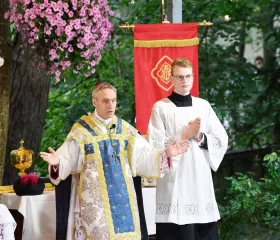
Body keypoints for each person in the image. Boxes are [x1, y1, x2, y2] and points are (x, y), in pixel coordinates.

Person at [40, 82, 190, 240]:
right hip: (96, 206)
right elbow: (66, 160)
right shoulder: (81, 132)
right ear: (94, 102)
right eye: (105, 101)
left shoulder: (126, 130)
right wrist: (57, 162)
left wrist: (166, 154)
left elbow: (145, 156)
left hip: (124, 203)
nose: (110, 105)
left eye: (113, 100)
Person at [146, 58, 229, 240]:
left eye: (188, 76)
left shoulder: (203, 106)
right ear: (172, 79)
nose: (184, 81)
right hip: (174, 181)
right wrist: (183, 135)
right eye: (180, 77)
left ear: (193, 78)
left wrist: (199, 136)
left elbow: (221, 139)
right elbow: (155, 144)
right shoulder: (161, 108)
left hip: (199, 180)